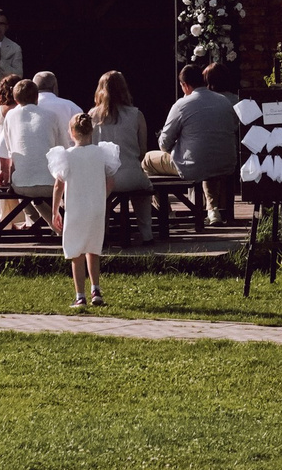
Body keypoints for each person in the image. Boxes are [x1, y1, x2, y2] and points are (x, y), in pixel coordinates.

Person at [48, 109, 120, 308]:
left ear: (71, 133)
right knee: (93, 249)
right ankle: (96, 290)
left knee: (75, 252)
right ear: (92, 131)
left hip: (75, 209)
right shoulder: (102, 153)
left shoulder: (67, 156)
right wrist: (101, 197)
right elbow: (111, 181)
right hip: (96, 209)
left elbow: (58, 185)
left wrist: (55, 210)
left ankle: (80, 295)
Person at [159, 61, 242, 228]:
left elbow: (164, 143)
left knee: (147, 160)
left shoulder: (182, 104)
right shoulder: (225, 101)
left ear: (185, 85)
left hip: (196, 164)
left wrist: (177, 145)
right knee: (206, 157)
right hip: (227, 161)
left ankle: (166, 213)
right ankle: (212, 210)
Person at [0, 78, 61, 233]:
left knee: (22, 183)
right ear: (37, 97)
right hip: (51, 184)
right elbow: (61, 148)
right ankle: (56, 225)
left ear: (16, 99)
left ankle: (38, 222)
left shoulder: (10, 116)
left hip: (22, 186)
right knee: (45, 184)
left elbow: (2, 152)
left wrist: (4, 173)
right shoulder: (51, 116)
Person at [90, 70, 149, 246]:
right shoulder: (136, 114)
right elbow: (142, 151)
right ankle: (147, 233)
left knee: (101, 194)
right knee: (144, 192)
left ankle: (103, 232)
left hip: (104, 177)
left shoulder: (92, 115)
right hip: (131, 174)